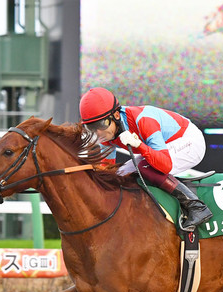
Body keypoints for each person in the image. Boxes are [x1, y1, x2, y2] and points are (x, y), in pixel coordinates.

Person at [79, 87, 213, 229]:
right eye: (91, 127)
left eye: (101, 125)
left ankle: (196, 206)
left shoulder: (144, 120)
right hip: (163, 147)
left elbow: (165, 165)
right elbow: (106, 171)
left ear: (116, 116)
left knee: (145, 167)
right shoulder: (105, 135)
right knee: (120, 173)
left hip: (189, 141)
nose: (98, 132)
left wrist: (139, 145)